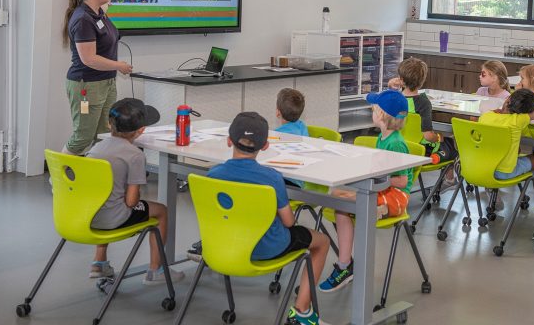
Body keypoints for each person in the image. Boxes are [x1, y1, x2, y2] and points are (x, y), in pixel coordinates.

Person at [207, 112, 329, 325]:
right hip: (267, 248)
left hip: (224, 246)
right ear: (264, 146)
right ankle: (302, 311)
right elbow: (289, 222)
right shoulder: (271, 178)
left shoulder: (213, 175)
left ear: (229, 140)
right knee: (322, 242)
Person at [320, 89, 413, 293]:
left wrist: (377, 176)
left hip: (396, 198)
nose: (371, 112)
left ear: (381, 115)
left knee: (344, 206)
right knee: (337, 196)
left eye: (373, 109)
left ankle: (345, 266)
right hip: (382, 192)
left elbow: (402, 180)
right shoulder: (384, 137)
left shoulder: (395, 143)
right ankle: (346, 262)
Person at [86, 98, 184, 285]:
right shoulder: (135, 155)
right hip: (113, 218)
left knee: (108, 199)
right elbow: (131, 202)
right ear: (141, 131)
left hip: (88, 214)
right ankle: (156, 270)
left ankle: (99, 262)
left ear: (109, 124)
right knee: (161, 210)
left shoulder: (96, 148)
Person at [62, 0, 133, 155]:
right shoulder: (83, 19)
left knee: (104, 134)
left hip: (106, 83)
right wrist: (119, 66)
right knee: (83, 136)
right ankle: (58, 177)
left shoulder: (99, 13)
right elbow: (89, 59)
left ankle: (94, 176)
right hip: (87, 85)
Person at [387, 57, 458, 190]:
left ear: (401, 79)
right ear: (422, 80)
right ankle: (450, 180)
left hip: (397, 148)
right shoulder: (423, 102)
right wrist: (438, 137)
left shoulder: (394, 98)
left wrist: (391, 86)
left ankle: (445, 174)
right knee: (451, 142)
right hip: (418, 151)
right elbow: (427, 136)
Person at [478, 89, 534, 179]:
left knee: (516, 149)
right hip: (503, 173)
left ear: (508, 100)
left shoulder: (486, 116)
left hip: (481, 167)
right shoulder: (518, 120)